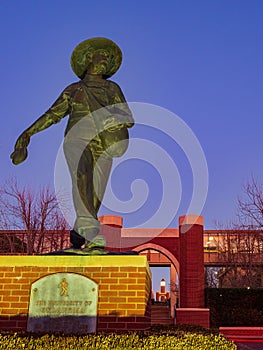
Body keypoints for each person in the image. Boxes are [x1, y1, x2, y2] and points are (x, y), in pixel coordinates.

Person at [10, 37, 134, 253]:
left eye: (108, 58)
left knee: (96, 191)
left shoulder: (112, 88)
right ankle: (91, 233)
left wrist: (112, 119)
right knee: (82, 177)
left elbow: (127, 117)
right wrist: (28, 133)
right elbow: (52, 114)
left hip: (104, 142)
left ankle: (80, 232)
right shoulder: (74, 89)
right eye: (102, 55)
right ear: (89, 58)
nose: (105, 59)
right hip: (77, 139)